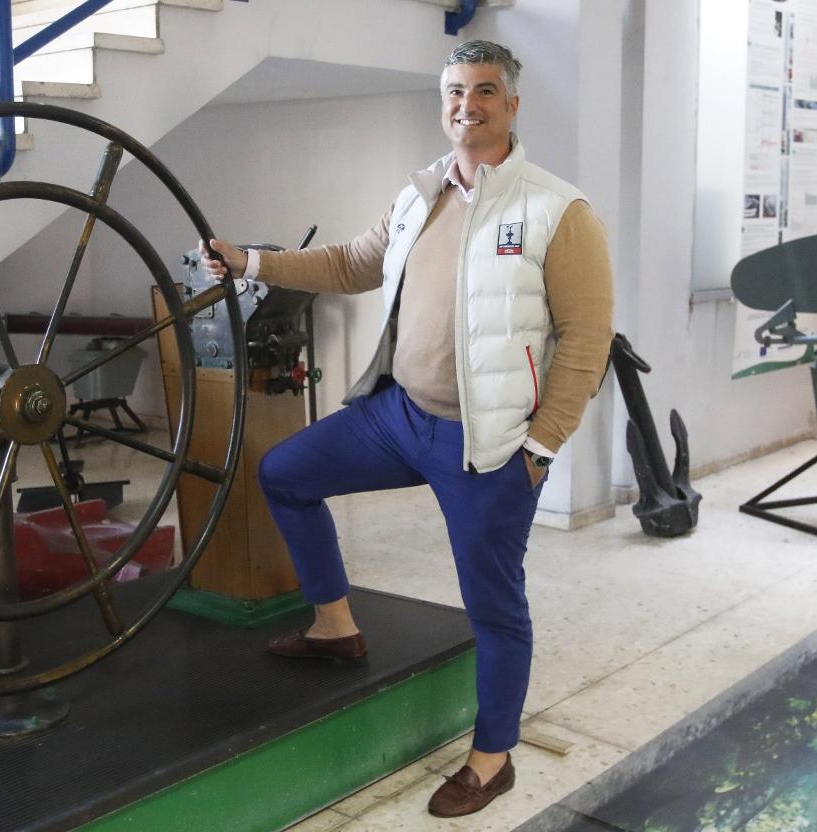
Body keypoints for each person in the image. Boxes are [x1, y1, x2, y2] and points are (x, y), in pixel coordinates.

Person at [202, 40, 613, 818]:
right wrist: (252, 261)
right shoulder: (421, 193)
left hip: (486, 445)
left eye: (484, 91)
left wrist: (539, 449)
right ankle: (334, 626)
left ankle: (493, 759)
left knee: (494, 606)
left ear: (512, 105)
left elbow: (587, 340)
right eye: (455, 91)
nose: (467, 104)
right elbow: (351, 264)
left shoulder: (559, 211)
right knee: (286, 473)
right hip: (397, 415)